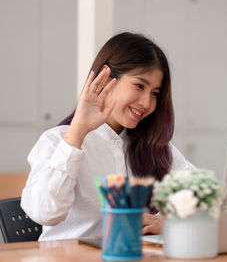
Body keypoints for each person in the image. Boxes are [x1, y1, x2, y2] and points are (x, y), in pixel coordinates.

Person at [21, 32, 194, 241]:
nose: (146, 103)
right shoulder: (56, 141)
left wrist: (167, 221)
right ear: (107, 76)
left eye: (155, 93)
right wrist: (78, 130)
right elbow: (43, 213)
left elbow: (205, 196)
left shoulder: (153, 147)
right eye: (139, 86)